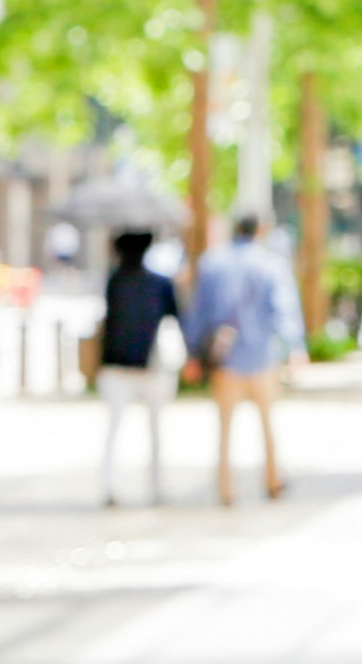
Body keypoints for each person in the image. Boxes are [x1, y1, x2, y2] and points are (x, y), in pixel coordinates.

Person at [187, 212, 301, 505]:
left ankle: (226, 489)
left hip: (225, 359)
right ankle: (273, 480)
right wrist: (296, 348)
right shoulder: (272, 264)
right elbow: (284, 309)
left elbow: (198, 312)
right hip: (262, 356)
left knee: (224, 430)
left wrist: (192, 354)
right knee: (268, 425)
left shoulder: (212, 263)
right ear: (260, 230)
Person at [95, 230, 182, 508]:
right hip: (149, 368)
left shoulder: (115, 281)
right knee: (154, 431)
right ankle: (156, 488)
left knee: (115, 430)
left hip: (119, 365)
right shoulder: (159, 283)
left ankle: (111, 487)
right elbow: (177, 318)